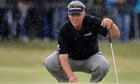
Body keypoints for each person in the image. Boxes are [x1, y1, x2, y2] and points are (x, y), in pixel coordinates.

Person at [44, 0, 120, 83]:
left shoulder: (92, 22)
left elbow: (114, 35)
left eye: (78, 14)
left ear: (84, 13)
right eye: (72, 15)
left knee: (104, 65)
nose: (75, 18)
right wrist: (71, 76)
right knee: (49, 62)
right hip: (70, 59)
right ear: (68, 15)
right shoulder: (64, 30)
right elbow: (63, 56)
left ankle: (93, 82)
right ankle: (65, 82)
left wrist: (112, 25)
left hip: (91, 58)